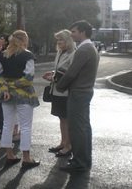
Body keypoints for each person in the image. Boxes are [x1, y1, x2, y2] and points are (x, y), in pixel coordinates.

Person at [56, 20, 99, 173]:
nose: (71, 34)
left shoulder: (83, 49)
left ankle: (79, 161)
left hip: (79, 93)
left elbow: (72, 73)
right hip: (84, 92)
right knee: (84, 128)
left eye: (73, 31)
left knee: (77, 128)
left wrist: (58, 86)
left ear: (82, 32)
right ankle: (85, 159)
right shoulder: (90, 47)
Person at [0, 30, 40, 169]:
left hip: (6, 94)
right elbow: (28, 78)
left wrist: (6, 88)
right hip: (24, 95)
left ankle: (9, 156)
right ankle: (26, 158)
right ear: (24, 40)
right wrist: (13, 87)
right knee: (25, 127)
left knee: (7, 125)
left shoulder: (3, 55)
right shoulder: (28, 55)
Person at [42, 29, 76, 157]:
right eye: (58, 40)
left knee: (66, 119)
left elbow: (72, 74)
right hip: (56, 90)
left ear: (68, 40)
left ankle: (68, 146)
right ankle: (63, 142)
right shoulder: (60, 52)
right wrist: (52, 73)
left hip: (65, 92)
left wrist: (54, 77)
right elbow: (60, 69)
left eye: (61, 39)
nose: (59, 42)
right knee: (61, 118)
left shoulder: (73, 53)